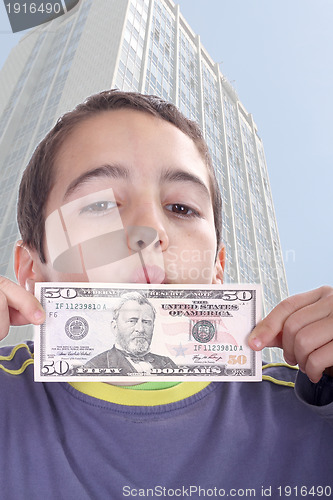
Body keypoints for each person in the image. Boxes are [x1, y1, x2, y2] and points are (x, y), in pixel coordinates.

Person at [0, 89, 332, 499]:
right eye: (100, 205)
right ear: (33, 270)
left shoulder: (316, 408)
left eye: (181, 208)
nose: (149, 230)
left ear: (217, 270)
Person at [85, 291, 178, 373]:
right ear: (114, 327)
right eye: (132, 321)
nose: (140, 329)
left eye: (146, 322)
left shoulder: (167, 363)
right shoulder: (94, 366)